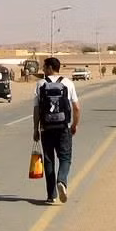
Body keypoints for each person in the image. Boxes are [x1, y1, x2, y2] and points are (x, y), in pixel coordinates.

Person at [32, 57, 80, 205]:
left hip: (46, 128)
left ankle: (51, 195)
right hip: (63, 127)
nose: (43, 70)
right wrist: (74, 125)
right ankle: (62, 181)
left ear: (50, 68)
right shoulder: (68, 83)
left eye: (44, 67)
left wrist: (36, 128)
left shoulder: (40, 84)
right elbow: (77, 107)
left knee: (48, 160)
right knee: (65, 158)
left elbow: (36, 109)